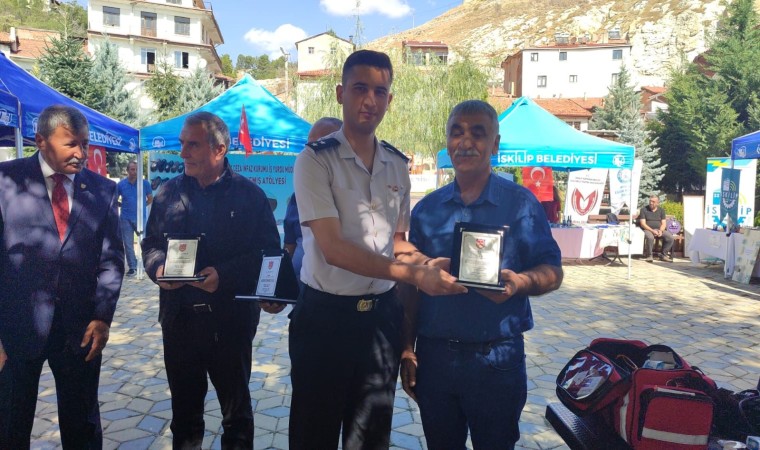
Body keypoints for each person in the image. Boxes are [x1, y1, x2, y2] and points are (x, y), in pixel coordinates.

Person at [289, 49, 467, 449]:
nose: (370, 99)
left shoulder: (396, 164)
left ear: (390, 99)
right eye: (359, 88)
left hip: (380, 320)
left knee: (371, 439)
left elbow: (396, 242)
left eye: (380, 91)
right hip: (326, 320)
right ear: (341, 93)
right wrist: (413, 274)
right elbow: (333, 249)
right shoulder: (315, 161)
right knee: (313, 435)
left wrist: (427, 263)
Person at [400, 100, 564, 449]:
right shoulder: (427, 210)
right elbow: (410, 287)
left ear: (495, 144)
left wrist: (520, 283)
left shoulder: (521, 205)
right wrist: (406, 348)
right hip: (435, 358)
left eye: (478, 133)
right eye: (456, 132)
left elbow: (553, 271)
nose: (465, 142)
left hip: (497, 360)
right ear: (447, 142)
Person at [141, 111, 282, 449]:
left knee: (236, 418)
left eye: (192, 145)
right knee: (185, 418)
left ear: (219, 150)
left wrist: (225, 275)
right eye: (182, 144)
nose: (183, 153)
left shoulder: (250, 196)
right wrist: (158, 269)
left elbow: (269, 254)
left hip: (230, 324)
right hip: (179, 322)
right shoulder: (167, 194)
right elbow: (151, 245)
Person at [0, 104, 125, 448]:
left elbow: (112, 260)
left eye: (85, 144)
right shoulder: (6, 181)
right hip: (15, 331)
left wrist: (102, 317)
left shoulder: (102, 190)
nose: (81, 153)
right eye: (71, 144)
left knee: (82, 426)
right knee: (9, 425)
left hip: (79, 331)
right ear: (41, 141)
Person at [283, 117, 343, 281]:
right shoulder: (297, 197)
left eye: (323, 146)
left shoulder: (359, 193)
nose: (313, 154)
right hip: (301, 284)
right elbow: (289, 245)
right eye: (310, 146)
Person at [117, 160, 153, 276]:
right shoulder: (121, 184)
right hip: (125, 218)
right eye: (132, 169)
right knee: (128, 244)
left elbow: (150, 198)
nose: (135, 172)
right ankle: (132, 267)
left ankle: (146, 264)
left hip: (140, 217)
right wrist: (122, 205)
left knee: (144, 242)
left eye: (137, 169)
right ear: (127, 170)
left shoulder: (144, 184)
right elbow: (114, 199)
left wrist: (142, 206)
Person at [639, 194, 673, 262]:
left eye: (653, 202)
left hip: (659, 229)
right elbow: (643, 224)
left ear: (657, 203)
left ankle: (663, 255)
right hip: (647, 229)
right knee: (650, 237)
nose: (651, 203)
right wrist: (652, 230)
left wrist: (661, 231)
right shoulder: (643, 210)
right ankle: (649, 255)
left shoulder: (661, 210)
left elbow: (663, 223)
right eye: (650, 201)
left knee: (670, 237)